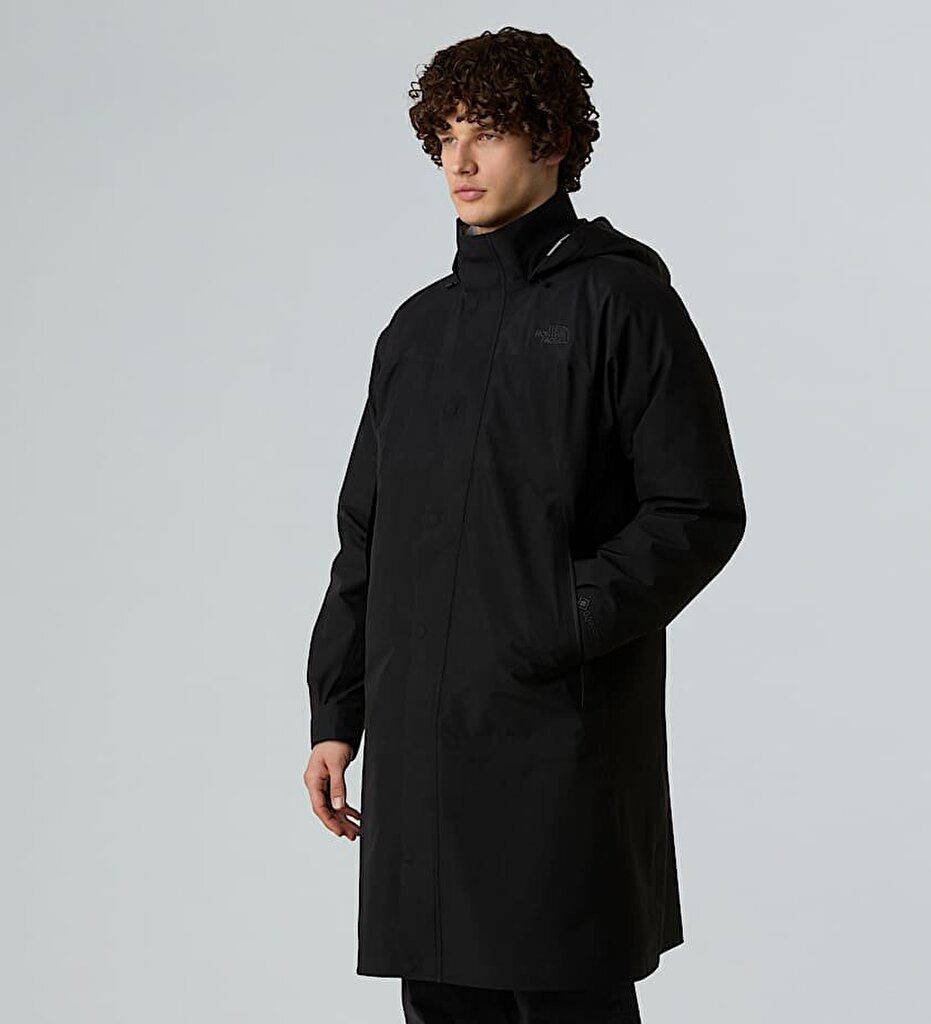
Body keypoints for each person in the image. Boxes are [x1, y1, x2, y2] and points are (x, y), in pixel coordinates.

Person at [302, 26, 746, 1024]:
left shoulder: (621, 303)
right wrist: (336, 713)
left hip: (556, 741)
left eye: (489, 132)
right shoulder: (416, 331)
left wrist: (556, 618)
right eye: (445, 136)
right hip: (420, 747)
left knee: (562, 992)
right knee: (444, 998)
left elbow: (697, 509)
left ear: (552, 140)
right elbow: (365, 531)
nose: (459, 161)